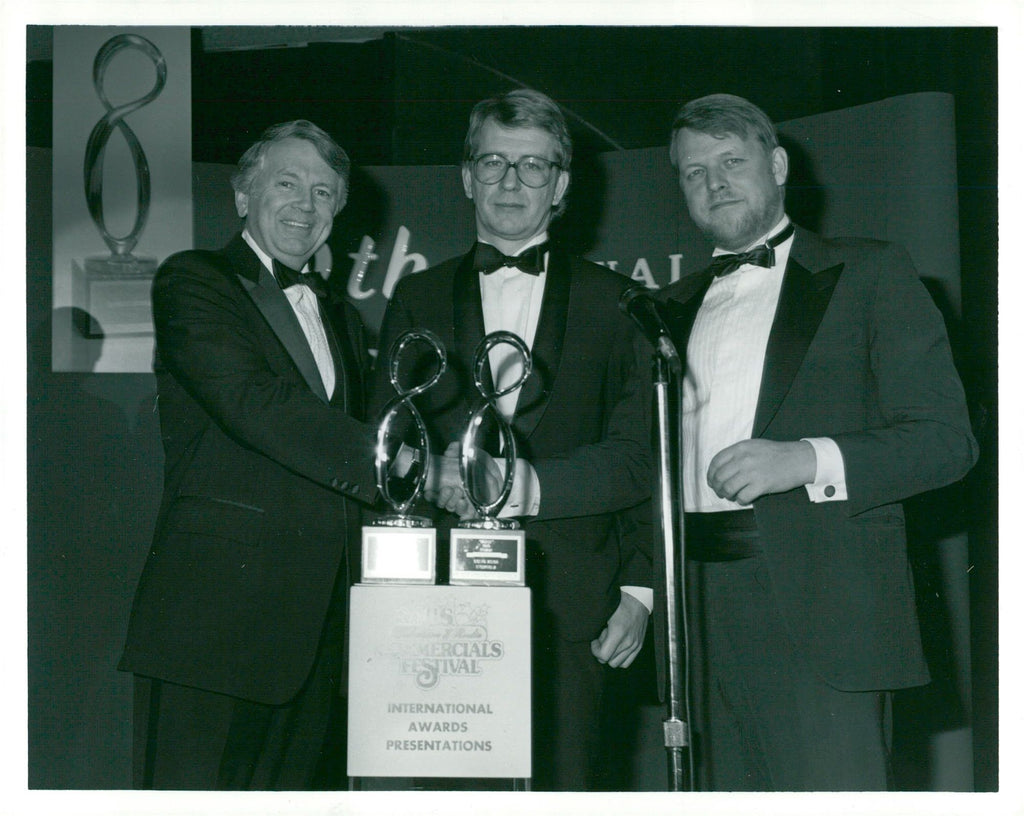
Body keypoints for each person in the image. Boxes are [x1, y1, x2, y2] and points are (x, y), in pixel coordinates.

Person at [656, 93, 979, 790]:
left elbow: (947, 442)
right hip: (694, 614)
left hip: (823, 606)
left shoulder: (872, 272)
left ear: (777, 166)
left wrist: (806, 459)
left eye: (731, 162)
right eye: (693, 172)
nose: (714, 183)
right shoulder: (664, 308)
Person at [369, 88, 653, 791]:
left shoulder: (620, 303)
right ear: (467, 177)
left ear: (561, 184)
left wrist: (640, 592)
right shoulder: (417, 298)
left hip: (578, 605)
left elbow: (640, 457)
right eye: (493, 162)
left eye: (533, 166)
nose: (510, 182)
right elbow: (388, 446)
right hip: (441, 609)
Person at [119, 120, 392, 789]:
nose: (306, 204)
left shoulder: (342, 318)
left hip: (316, 635)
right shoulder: (195, 280)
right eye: (287, 184)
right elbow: (255, 402)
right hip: (213, 623)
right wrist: (403, 463)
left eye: (324, 193)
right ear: (243, 196)